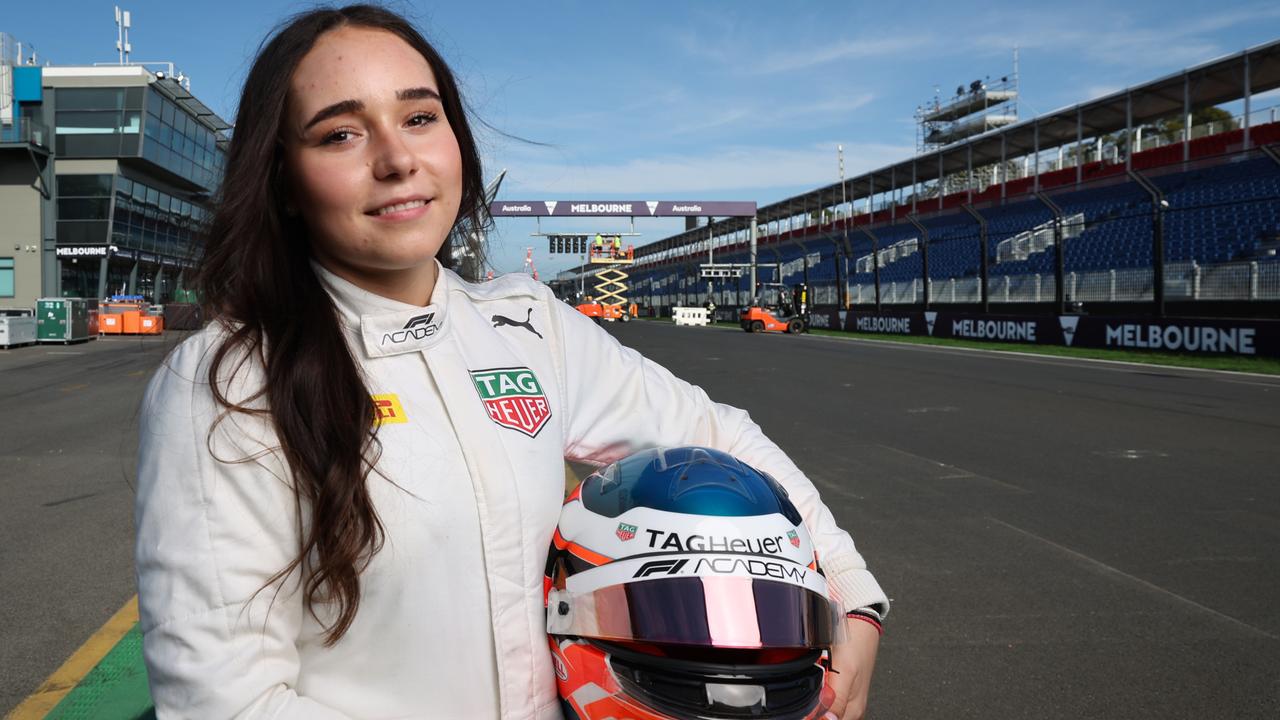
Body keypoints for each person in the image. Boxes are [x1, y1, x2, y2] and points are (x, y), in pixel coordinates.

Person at [134, 5, 887, 720]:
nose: (397, 159)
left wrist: (851, 596)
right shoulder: (229, 383)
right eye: (340, 135)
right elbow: (223, 701)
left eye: (419, 118)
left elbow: (720, 438)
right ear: (282, 182)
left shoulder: (529, 325)